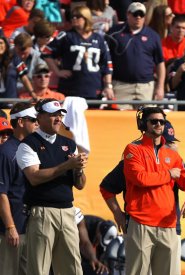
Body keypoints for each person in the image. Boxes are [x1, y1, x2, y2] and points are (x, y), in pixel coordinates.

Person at [16, 98, 88, 275]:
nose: (58, 118)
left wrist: (78, 170)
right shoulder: (28, 144)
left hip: (68, 211)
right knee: (39, 269)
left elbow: (80, 185)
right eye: (53, 115)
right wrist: (67, 166)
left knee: (72, 268)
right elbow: (34, 177)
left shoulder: (69, 143)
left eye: (60, 114)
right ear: (39, 117)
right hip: (42, 212)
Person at [122, 107, 185, 275]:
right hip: (141, 223)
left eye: (161, 122)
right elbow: (140, 179)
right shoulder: (132, 149)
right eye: (153, 121)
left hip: (168, 225)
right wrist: (168, 174)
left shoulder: (172, 154)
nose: (158, 124)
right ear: (143, 124)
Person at [43, 6, 113, 100]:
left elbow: (107, 64)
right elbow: (46, 52)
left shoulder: (98, 38)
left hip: (93, 88)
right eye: (72, 16)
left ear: (86, 18)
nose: (74, 18)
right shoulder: (66, 36)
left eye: (77, 16)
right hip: (71, 88)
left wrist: (108, 86)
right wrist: (58, 72)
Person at [0, 102, 37, 275]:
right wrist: (10, 226)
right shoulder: (6, 152)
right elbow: (2, 194)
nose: (37, 122)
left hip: (29, 226)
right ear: (21, 122)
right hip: (13, 229)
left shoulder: (31, 148)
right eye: (33, 119)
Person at [105, 2, 165, 109]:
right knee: (121, 121)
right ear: (128, 14)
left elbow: (160, 63)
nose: (138, 17)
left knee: (147, 120)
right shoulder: (114, 33)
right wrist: (108, 85)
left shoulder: (153, 35)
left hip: (146, 86)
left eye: (141, 15)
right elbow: (106, 60)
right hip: (121, 86)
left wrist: (160, 87)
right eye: (135, 14)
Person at [75, 209, 111, 275]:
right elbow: (84, 243)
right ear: (98, 233)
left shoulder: (110, 232)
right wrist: (94, 259)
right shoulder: (81, 221)